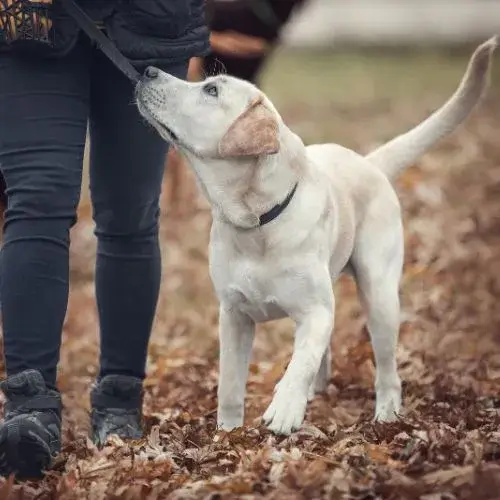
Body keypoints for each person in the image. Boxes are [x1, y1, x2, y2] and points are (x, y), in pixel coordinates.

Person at [0, 0, 209, 478]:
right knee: (36, 201)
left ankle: (119, 399)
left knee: (130, 213)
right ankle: (29, 407)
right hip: (28, 23)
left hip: (152, 23)